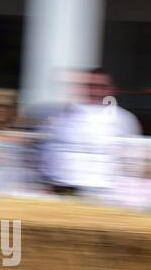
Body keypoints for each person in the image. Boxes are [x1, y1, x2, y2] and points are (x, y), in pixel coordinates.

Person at [39, 68, 142, 200]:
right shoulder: (62, 116)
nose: (95, 91)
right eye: (91, 86)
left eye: (101, 86)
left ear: (112, 89)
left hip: (106, 194)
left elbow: (132, 159)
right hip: (63, 189)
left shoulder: (124, 119)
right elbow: (48, 150)